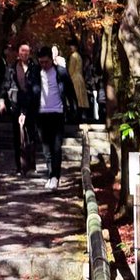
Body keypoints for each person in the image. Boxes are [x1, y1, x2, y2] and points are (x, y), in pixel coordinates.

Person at [36, 44, 76, 190]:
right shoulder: (36, 73)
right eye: (41, 62)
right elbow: (31, 92)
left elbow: (70, 92)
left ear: (51, 60)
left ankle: (55, 177)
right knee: (46, 149)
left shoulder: (61, 72)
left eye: (46, 61)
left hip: (57, 113)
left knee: (56, 147)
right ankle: (50, 174)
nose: (44, 65)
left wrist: (73, 109)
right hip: (41, 114)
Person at [0, 41, 39, 175]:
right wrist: (2, 101)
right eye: (22, 51)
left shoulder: (34, 68)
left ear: (30, 53)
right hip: (15, 105)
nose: (24, 54)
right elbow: (5, 85)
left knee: (31, 136)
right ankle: (19, 167)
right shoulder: (11, 68)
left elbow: (37, 88)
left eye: (27, 51)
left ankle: (31, 166)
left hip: (31, 106)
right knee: (17, 136)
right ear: (18, 53)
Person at [67, 44, 90, 124]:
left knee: (75, 98)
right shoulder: (79, 56)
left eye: (72, 46)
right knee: (80, 98)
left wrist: (67, 78)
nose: (70, 48)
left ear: (75, 47)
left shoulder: (73, 56)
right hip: (80, 78)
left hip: (75, 78)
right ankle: (81, 116)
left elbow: (71, 69)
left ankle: (76, 117)